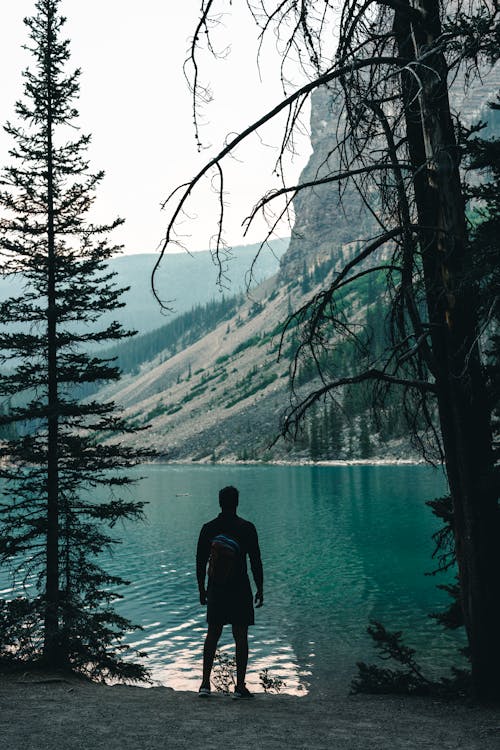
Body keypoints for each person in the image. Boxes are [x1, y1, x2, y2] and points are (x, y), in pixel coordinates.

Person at [196, 485, 263, 699]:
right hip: (240, 588)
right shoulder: (247, 527)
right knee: (240, 636)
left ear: (219, 502)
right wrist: (260, 587)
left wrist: (202, 589)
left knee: (212, 634)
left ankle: (205, 684)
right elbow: (255, 561)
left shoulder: (208, 528)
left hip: (217, 587)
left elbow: (199, 562)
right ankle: (240, 687)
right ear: (237, 503)